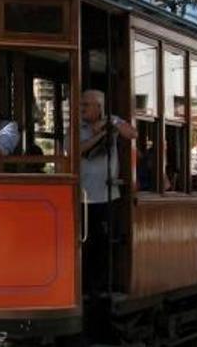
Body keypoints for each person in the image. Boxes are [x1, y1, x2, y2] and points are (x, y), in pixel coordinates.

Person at [78, 89, 137, 295]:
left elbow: (131, 133)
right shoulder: (78, 126)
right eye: (81, 104)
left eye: (86, 105)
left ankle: (100, 287)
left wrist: (111, 123)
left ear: (99, 107)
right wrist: (100, 135)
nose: (82, 108)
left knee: (103, 245)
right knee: (85, 244)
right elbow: (76, 149)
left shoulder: (112, 121)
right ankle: (85, 287)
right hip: (82, 196)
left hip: (106, 195)